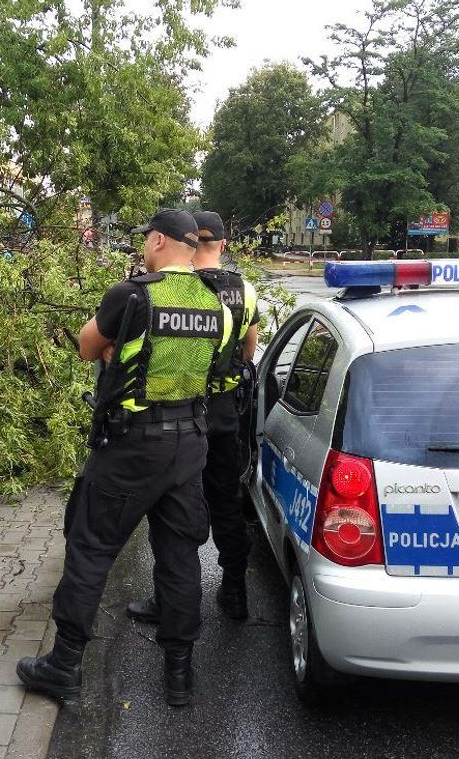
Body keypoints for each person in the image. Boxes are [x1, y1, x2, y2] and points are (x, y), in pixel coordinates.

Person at [16, 209, 233, 707]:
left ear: (158, 241)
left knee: (91, 545)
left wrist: (120, 350)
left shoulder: (132, 293)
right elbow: (213, 364)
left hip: (133, 446)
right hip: (189, 445)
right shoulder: (217, 303)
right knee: (180, 558)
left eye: (145, 240)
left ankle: (64, 665)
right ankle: (179, 674)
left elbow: (87, 346)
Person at [126, 210, 259, 624]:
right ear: (222, 244)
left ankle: (170, 601)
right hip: (224, 416)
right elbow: (249, 353)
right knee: (226, 502)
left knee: (174, 507)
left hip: (181, 412)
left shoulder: (177, 289)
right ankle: (234, 590)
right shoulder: (244, 291)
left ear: (187, 243)